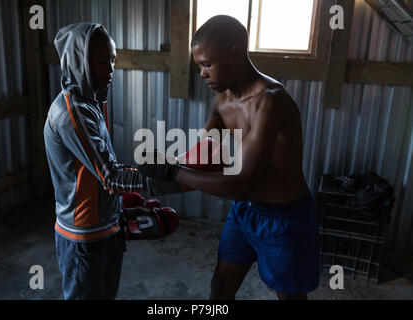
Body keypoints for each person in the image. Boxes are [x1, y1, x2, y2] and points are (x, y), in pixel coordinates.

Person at [137, 15, 320, 300]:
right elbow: (206, 156)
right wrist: (153, 181)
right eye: (199, 66)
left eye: (207, 64)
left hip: (284, 219)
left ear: (235, 53)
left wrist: (171, 171)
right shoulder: (223, 100)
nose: (202, 74)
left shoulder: (269, 101)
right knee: (220, 288)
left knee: (290, 298)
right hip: (244, 211)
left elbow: (242, 183)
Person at [43, 23, 147, 300]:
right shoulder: (71, 112)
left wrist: (122, 207)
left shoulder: (92, 103)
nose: (111, 70)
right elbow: (111, 177)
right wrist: (170, 176)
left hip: (107, 228)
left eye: (113, 61)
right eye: (103, 61)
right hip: (84, 238)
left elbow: (100, 170)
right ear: (79, 61)